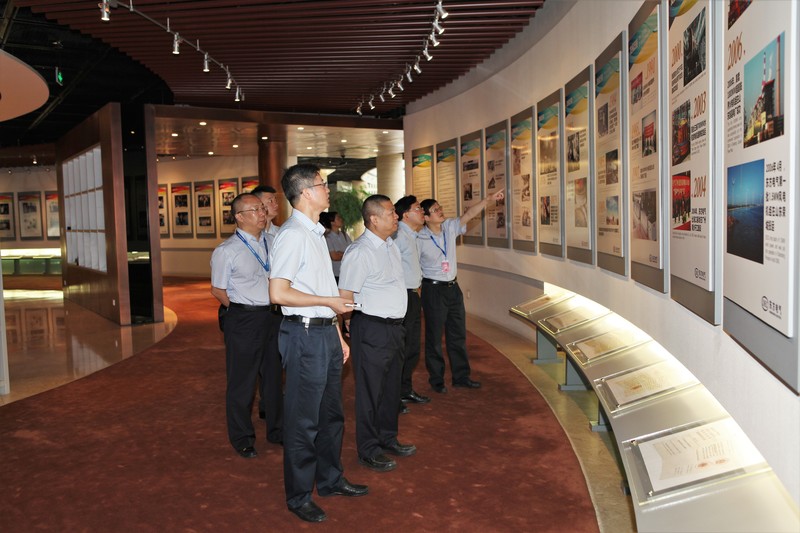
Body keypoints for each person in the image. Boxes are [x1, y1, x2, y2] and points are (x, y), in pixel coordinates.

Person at [269, 164, 368, 523]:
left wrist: (338, 333)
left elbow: (322, 287)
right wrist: (328, 304)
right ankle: (299, 496)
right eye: (323, 185)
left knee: (331, 415)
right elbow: (278, 293)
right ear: (306, 192)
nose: (328, 190)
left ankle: (330, 479)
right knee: (303, 421)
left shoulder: (315, 233)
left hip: (324, 333)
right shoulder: (293, 235)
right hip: (304, 335)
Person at [339, 195, 416, 473]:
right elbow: (345, 294)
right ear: (373, 219)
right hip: (372, 328)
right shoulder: (360, 251)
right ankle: (368, 449)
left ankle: (387, 437)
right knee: (370, 392)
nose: (396, 217)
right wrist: (349, 324)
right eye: (391, 212)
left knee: (391, 388)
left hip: (395, 328)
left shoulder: (390, 245)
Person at [210, 193, 279, 459]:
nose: (262, 213)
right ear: (239, 217)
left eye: (263, 208)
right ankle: (242, 438)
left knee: (274, 378)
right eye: (255, 210)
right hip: (244, 319)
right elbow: (218, 290)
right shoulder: (227, 251)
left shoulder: (272, 242)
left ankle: (277, 429)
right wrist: (242, 309)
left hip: (273, 316)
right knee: (243, 381)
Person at [418, 190, 505, 393]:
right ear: (426, 217)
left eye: (440, 207)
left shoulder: (449, 227)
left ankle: (461, 376)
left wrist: (488, 200)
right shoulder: (419, 237)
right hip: (433, 289)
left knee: (457, 334)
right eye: (435, 210)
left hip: (453, 288)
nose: (440, 211)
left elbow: (469, 214)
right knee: (434, 337)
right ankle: (437, 380)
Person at [249, 185, 283, 443]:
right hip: (253, 312)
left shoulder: (280, 235)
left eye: (273, 200)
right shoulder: (247, 239)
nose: (273, 205)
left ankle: (274, 411)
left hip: (278, 308)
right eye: (269, 201)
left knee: (275, 365)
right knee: (254, 366)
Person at [393, 195, 431, 410]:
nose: (422, 212)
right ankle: (394, 395)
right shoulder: (398, 236)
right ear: (406, 215)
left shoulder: (412, 236)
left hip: (413, 295)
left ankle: (405, 389)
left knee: (412, 348)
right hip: (402, 296)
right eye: (418, 208)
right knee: (401, 348)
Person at [324, 211, 351, 281]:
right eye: (338, 218)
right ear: (332, 222)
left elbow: (352, 251)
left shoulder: (344, 235)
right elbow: (334, 257)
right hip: (335, 274)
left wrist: (340, 253)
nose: (341, 219)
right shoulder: (327, 237)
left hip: (347, 272)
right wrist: (347, 254)